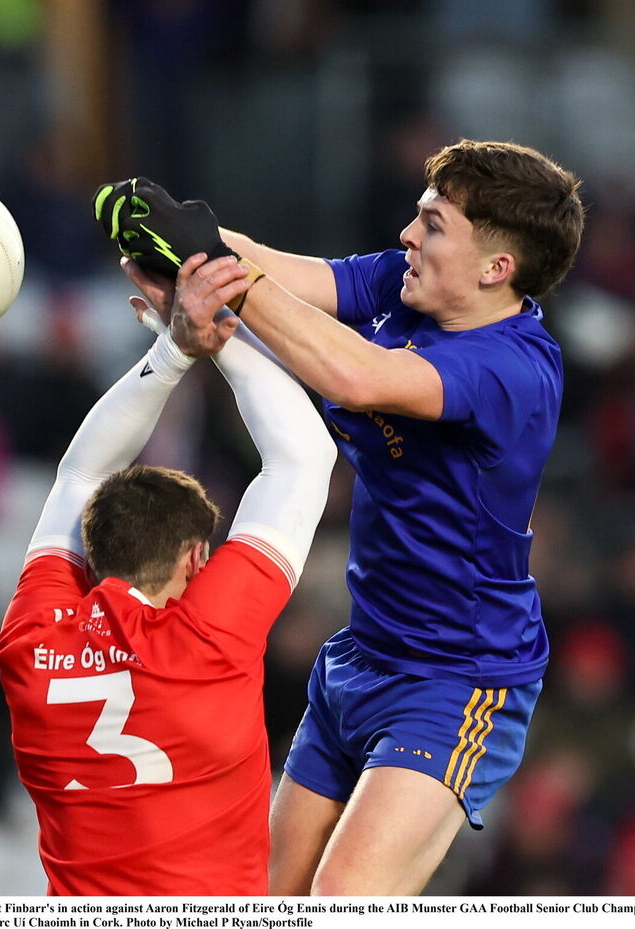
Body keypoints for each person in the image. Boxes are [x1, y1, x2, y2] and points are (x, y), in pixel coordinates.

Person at [96, 139, 586, 894]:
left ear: (497, 269)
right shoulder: (407, 283)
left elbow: (355, 374)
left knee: (341, 902)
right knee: (265, 899)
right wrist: (186, 252)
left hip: (459, 679)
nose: (407, 237)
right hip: (361, 657)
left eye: (434, 225)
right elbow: (275, 269)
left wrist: (220, 277)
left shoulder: (513, 369)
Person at [0, 254, 336, 895]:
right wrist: (210, 332)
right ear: (194, 559)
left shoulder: (33, 641)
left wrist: (176, 348)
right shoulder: (208, 638)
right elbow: (303, 458)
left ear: (89, 555)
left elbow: (78, 476)